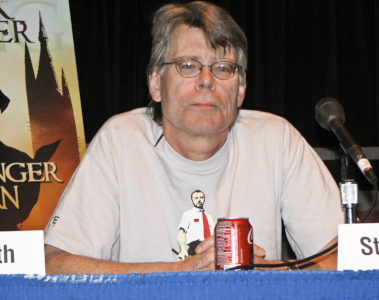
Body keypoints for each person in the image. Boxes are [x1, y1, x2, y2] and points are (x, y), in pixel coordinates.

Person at [44, 1, 343, 274]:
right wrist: (183, 273)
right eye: (188, 65)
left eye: (223, 68)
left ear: (240, 90)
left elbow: (345, 257)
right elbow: (55, 262)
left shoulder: (277, 141)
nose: (206, 81)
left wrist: (266, 272)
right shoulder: (120, 141)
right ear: (155, 84)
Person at [177, 190, 214, 260]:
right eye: (196, 198)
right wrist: (182, 249)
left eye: (201, 197)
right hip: (194, 249)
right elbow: (182, 231)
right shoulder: (188, 214)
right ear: (192, 200)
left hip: (209, 250)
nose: (199, 200)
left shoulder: (209, 217)